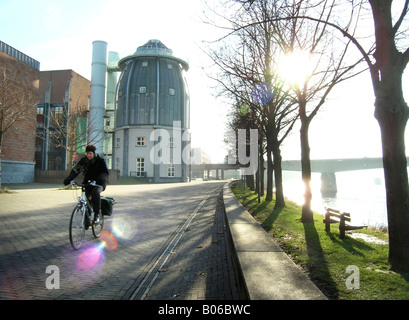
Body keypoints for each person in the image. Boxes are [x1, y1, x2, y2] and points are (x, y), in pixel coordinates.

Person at [64, 145, 109, 225]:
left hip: (99, 183)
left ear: (94, 153)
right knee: (84, 200)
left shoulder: (100, 161)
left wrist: (98, 180)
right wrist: (68, 179)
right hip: (87, 183)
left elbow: (105, 172)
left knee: (95, 192)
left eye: (90, 153)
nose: (88, 155)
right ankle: (87, 220)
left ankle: (97, 214)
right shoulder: (84, 161)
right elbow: (76, 170)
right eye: (87, 153)